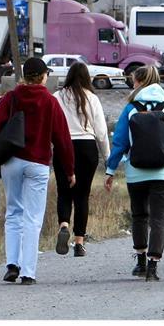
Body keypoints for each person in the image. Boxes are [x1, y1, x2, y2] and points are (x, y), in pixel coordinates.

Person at [0, 57, 75, 285]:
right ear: (43, 76)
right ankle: (28, 272)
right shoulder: (49, 101)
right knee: (33, 218)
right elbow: (62, 139)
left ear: (25, 75)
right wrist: (69, 170)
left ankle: (11, 264)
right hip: (38, 163)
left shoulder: (11, 97)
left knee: (13, 212)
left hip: (12, 161)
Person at [104, 65, 164, 282]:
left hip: (136, 172)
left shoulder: (131, 109)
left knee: (139, 216)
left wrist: (110, 169)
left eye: (133, 81)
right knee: (159, 219)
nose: (132, 84)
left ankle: (140, 262)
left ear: (139, 82)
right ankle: (153, 266)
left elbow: (120, 142)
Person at [52, 62, 110, 257]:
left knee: (64, 191)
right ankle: (79, 242)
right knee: (82, 196)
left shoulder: (57, 97)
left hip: (63, 146)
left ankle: (64, 225)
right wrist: (108, 158)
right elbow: (101, 132)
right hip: (86, 147)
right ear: (87, 78)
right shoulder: (91, 98)